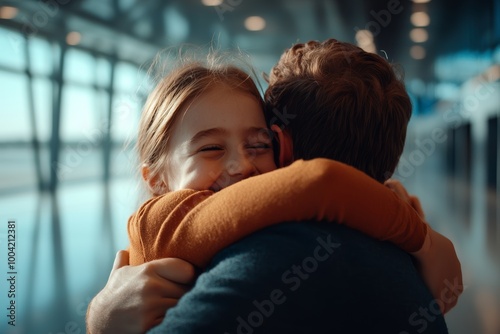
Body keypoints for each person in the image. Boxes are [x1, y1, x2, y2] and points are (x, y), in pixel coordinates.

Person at [87, 39, 462, 333]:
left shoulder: (265, 262)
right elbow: (323, 183)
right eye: (212, 148)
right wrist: (422, 238)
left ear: (279, 143)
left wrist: (101, 324)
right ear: (154, 178)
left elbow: (322, 184)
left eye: (257, 144)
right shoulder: (162, 220)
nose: (241, 166)